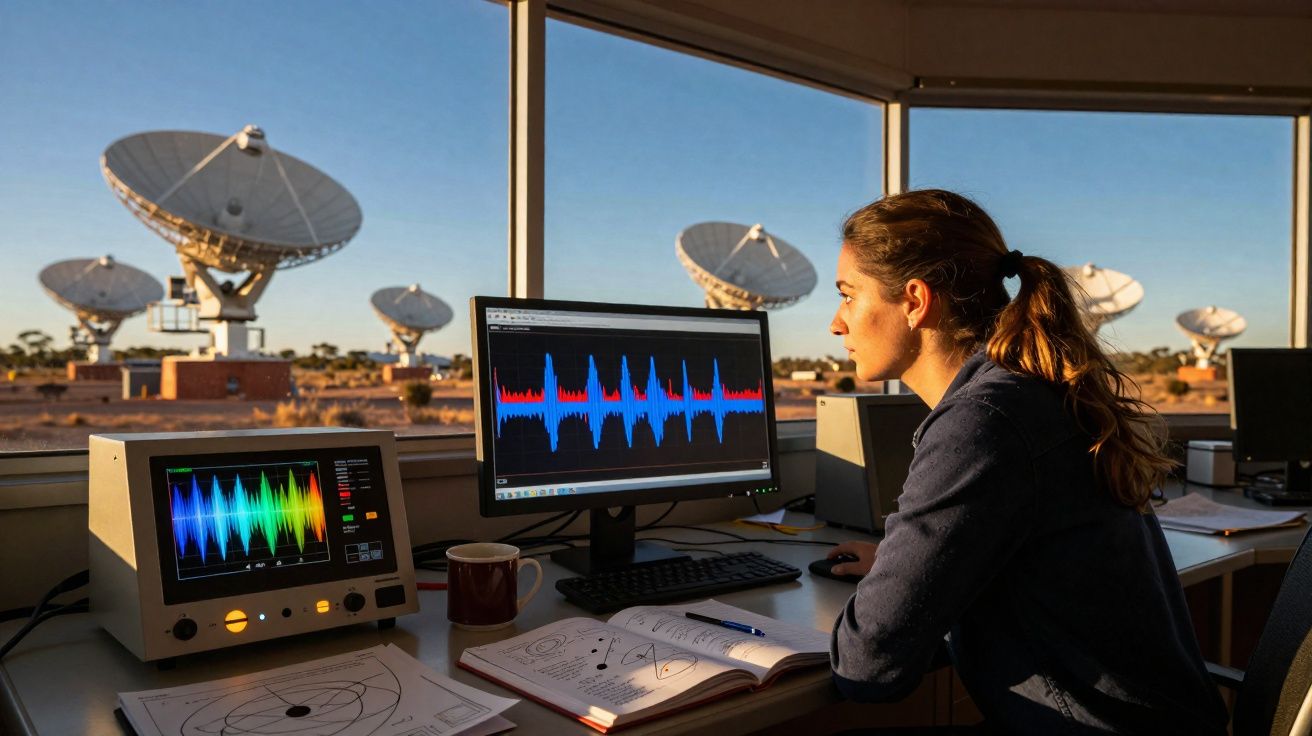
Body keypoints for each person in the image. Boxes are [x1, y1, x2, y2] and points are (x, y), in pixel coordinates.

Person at [825, 189, 1228, 735]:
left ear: (915, 300)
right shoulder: (1033, 392)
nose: (836, 322)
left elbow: (868, 666)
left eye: (849, 295)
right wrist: (902, 567)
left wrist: (894, 594)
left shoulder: (982, 422)